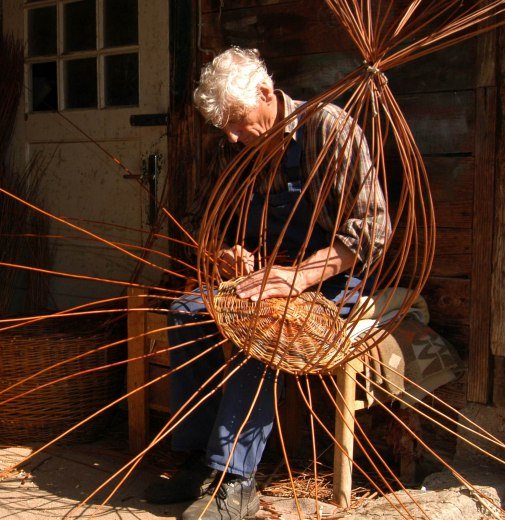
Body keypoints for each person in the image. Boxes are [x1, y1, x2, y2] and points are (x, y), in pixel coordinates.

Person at [144, 47, 390, 519]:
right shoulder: (235, 147)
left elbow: (373, 230)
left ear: (264, 92)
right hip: (263, 275)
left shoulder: (328, 129)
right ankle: (199, 459)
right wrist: (225, 253)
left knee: (264, 327)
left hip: (331, 277)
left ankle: (235, 481)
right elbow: (204, 222)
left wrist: (298, 277)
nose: (233, 137)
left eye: (237, 121)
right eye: (225, 129)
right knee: (188, 311)